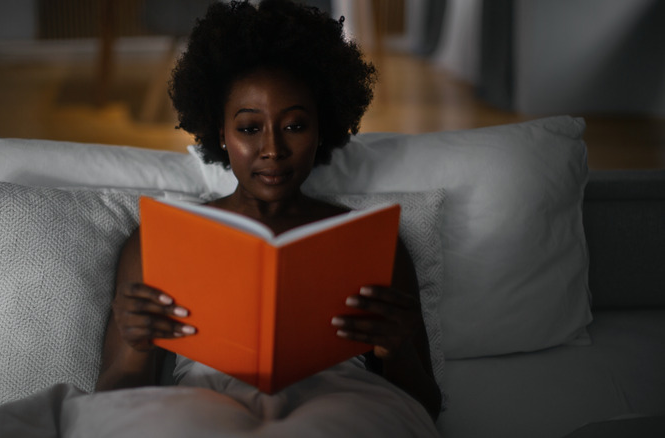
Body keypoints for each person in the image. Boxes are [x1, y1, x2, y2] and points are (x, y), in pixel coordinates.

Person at [96, 0, 442, 422]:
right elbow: (109, 408)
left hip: (340, 410)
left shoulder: (370, 241)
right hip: (205, 414)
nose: (273, 149)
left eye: (295, 126)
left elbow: (426, 407)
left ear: (323, 127)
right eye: (248, 128)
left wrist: (398, 350)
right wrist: (135, 350)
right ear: (219, 132)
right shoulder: (160, 242)